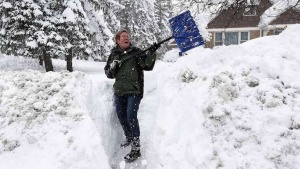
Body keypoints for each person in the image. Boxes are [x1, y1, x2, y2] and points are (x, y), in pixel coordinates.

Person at [104, 29, 160, 161]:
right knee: (121, 116)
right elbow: (108, 74)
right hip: (119, 91)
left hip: (134, 91)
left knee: (131, 116)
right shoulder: (114, 54)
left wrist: (152, 52)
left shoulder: (136, 52)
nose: (126, 38)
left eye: (127, 36)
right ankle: (129, 136)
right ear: (117, 40)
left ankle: (136, 147)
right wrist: (113, 67)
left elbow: (147, 65)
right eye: (123, 36)